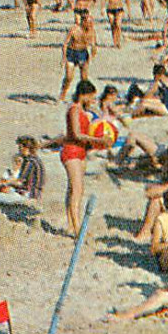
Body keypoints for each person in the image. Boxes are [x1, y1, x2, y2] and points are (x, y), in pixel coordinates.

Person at [59, 81, 106, 235]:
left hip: (80, 151)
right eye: (91, 96)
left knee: (74, 188)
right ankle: (77, 227)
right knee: (77, 189)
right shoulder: (74, 110)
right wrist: (98, 141)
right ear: (83, 95)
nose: (92, 99)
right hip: (71, 150)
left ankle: (72, 224)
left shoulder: (84, 111)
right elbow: (76, 134)